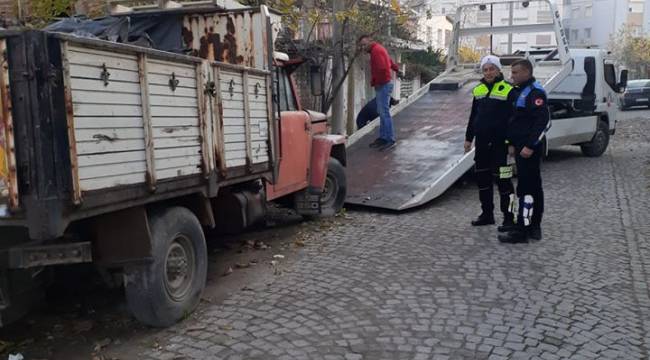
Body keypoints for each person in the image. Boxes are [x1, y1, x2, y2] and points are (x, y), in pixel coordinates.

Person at [498, 58, 551, 243]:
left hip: (529, 149)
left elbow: (542, 122)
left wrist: (530, 145)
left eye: (515, 73)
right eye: (511, 72)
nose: (512, 76)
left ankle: (526, 228)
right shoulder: (517, 92)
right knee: (525, 187)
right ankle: (525, 225)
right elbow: (514, 120)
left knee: (530, 188)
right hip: (519, 147)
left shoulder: (535, 93)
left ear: (526, 72)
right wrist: (511, 143)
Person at [465, 55, 516, 229]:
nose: (488, 72)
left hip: (501, 145)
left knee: (505, 184)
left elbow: (513, 119)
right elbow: (473, 116)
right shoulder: (478, 90)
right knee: (483, 181)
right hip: (482, 145)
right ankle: (487, 214)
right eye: (485, 69)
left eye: (491, 69)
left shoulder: (509, 89)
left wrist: (511, 142)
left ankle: (510, 217)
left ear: (498, 70)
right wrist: (468, 138)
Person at [358, 35, 400, 151]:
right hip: (384, 83)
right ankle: (383, 137)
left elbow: (383, 68)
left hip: (383, 84)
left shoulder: (376, 51)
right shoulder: (379, 49)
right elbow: (389, 61)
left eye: (364, 44)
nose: (363, 47)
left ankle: (390, 139)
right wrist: (396, 68)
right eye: (361, 46)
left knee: (384, 112)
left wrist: (376, 82)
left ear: (371, 41)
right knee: (382, 112)